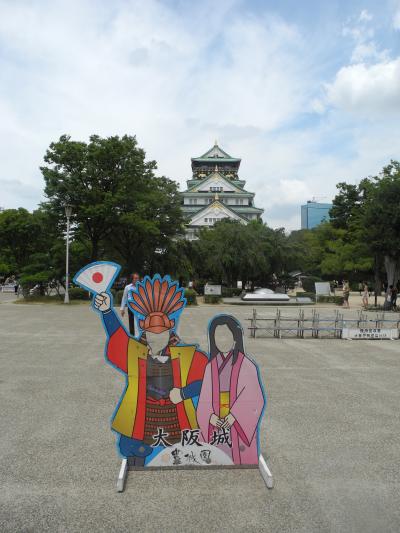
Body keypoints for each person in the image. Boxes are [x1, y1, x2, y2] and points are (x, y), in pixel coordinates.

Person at [93, 275, 208, 467]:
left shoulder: (186, 356)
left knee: (182, 450)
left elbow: (208, 379)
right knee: (133, 446)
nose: (156, 338)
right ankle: (136, 465)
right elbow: (118, 339)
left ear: (170, 332)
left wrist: (184, 393)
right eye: (151, 334)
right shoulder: (135, 354)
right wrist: (107, 312)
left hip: (176, 420)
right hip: (142, 419)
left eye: (161, 333)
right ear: (144, 332)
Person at [197, 314, 265, 465]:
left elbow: (255, 397)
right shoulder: (211, 367)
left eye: (225, 335)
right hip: (217, 421)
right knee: (217, 452)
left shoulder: (247, 365)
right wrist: (210, 416)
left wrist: (234, 416)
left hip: (235, 422)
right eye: (217, 336)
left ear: (235, 338)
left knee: (236, 450)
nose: (221, 340)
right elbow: (203, 400)